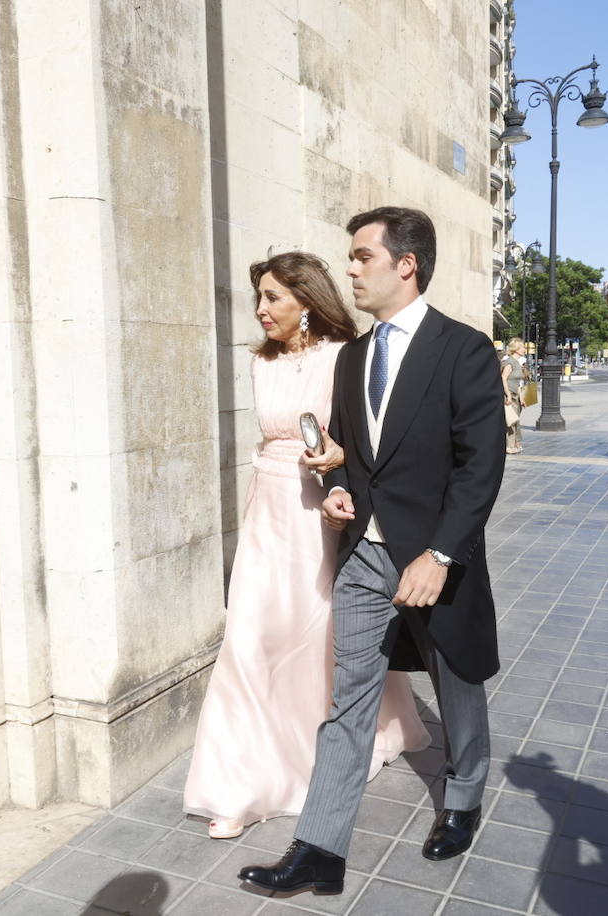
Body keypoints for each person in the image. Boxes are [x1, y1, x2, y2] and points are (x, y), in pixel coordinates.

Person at [238, 207, 505, 895]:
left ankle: (465, 796)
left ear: (405, 264)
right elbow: (357, 455)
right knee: (349, 698)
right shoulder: (355, 356)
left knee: (457, 682)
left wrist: (441, 555)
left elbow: (480, 468)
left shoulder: (464, 349)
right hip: (363, 556)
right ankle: (320, 849)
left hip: (434, 560)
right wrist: (334, 482)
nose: (350, 269)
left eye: (361, 257)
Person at [183, 252, 429, 840]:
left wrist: (338, 465)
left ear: (306, 301)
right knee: (249, 637)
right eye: (259, 299)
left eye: (273, 298)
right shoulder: (258, 363)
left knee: (320, 634)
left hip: (322, 512)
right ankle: (241, 784)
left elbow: (361, 440)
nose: (262, 310)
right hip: (267, 509)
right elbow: (267, 440)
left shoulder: (343, 358)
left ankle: (354, 737)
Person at [500, 338, 528, 454]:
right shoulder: (509, 362)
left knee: (514, 421)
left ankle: (512, 445)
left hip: (515, 396)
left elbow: (517, 383)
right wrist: (508, 395)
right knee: (510, 421)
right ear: (516, 349)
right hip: (509, 396)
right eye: (522, 348)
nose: (525, 350)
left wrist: (521, 398)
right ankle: (509, 446)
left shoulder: (517, 362)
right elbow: (503, 378)